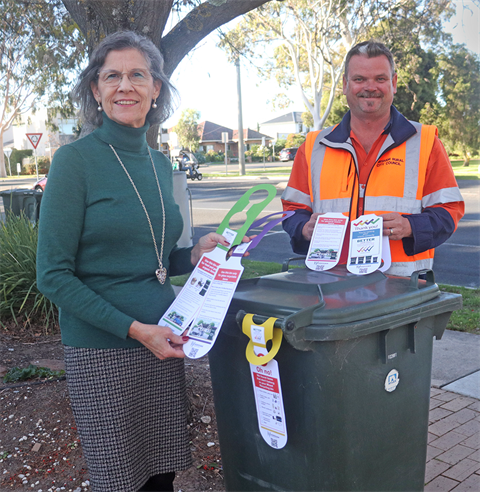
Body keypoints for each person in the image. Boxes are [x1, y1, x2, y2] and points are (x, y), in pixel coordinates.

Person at [36, 31, 236, 492]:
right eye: (112, 76)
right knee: (121, 479)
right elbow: (53, 275)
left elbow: (156, 258)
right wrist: (135, 329)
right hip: (104, 349)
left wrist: (193, 255)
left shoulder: (159, 163)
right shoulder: (74, 162)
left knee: (161, 475)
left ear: (156, 88)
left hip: (163, 341)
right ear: (96, 91)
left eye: (137, 75)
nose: (125, 86)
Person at [281, 41, 464, 276]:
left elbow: (449, 211)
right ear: (345, 85)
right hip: (328, 287)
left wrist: (410, 226)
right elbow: (292, 209)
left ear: (394, 83)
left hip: (401, 291)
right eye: (359, 79)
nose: (370, 87)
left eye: (380, 79)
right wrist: (303, 228)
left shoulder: (425, 142)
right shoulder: (314, 146)